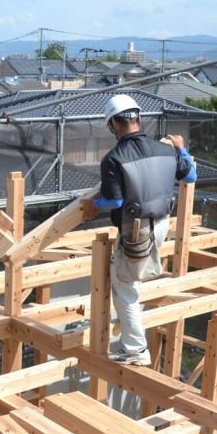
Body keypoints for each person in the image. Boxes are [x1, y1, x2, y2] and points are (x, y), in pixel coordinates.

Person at [82, 94, 197, 366]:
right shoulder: (166, 150)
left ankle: (136, 349)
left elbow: (116, 201)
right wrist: (181, 148)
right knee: (134, 276)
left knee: (123, 285)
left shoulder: (114, 159)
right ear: (139, 119)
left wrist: (93, 204)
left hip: (136, 229)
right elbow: (190, 176)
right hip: (161, 224)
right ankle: (134, 327)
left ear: (113, 125)